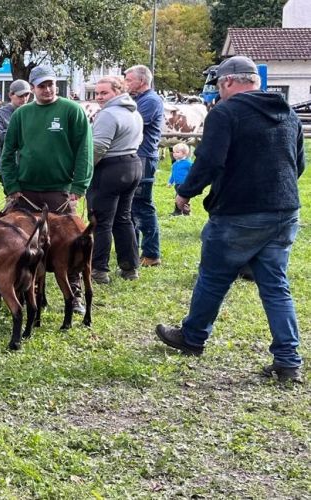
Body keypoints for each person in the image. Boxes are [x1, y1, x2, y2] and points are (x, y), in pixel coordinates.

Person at [156, 56, 305, 384]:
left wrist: (185, 192)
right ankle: (289, 361)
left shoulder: (225, 113)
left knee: (213, 277)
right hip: (284, 211)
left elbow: (208, 160)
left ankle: (192, 337)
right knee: (276, 286)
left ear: (227, 83)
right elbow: (298, 164)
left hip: (238, 213)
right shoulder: (288, 113)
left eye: (219, 87)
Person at [0, 66, 92, 314]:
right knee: (22, 243)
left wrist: (79, 184)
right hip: (26, 192)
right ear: (32, 88)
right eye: (41, 85)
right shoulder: (21, 114)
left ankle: (75, 295)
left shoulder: (72, 111)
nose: (47, 89)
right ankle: (26, 293)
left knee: (70, 244)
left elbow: (85, 150)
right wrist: (12, 185)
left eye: (50, 84)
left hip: (60, 190)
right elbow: (7, 152)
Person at [86, 76, 143, 284]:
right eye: (97, 93)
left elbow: (98, 147)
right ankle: (129, 267)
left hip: (111, 168)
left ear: (117, 92)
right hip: (133, 164)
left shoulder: (108, 114)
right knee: (123, 218)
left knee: (101, 221)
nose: (99, 97)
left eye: (104, 93)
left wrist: (85, 170)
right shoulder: (133, 112)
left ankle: (99, 270)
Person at [125, 64, 166, 267]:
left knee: (142, 206)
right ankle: (135, 251)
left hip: (144, 158)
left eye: (129, 80)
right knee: (132, 208)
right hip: (137, 157)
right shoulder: (139, 100)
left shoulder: (150, 101)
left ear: (142, 81)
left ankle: (151, 254)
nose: (126, 84)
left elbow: (131, 123)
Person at [0, 80, 31, 178]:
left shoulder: (32, 113)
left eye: (27, 95)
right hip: (8, 166)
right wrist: (23, 130)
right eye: (20, 96)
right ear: (11, 94)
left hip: (28, 165)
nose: (24, 99)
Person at [167, 143, 192, 215]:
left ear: (185, 154)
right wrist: (170, 182)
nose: (174, 154)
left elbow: (192, 172)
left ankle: (184, 211)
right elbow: (173, 174)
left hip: (185, 184)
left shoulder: (188, 163)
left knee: (183, 197)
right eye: (174, 152)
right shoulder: (175, 164)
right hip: (177, 184)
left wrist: (191, 182)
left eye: (177, 152)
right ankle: (179, 211)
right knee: (178, 197)